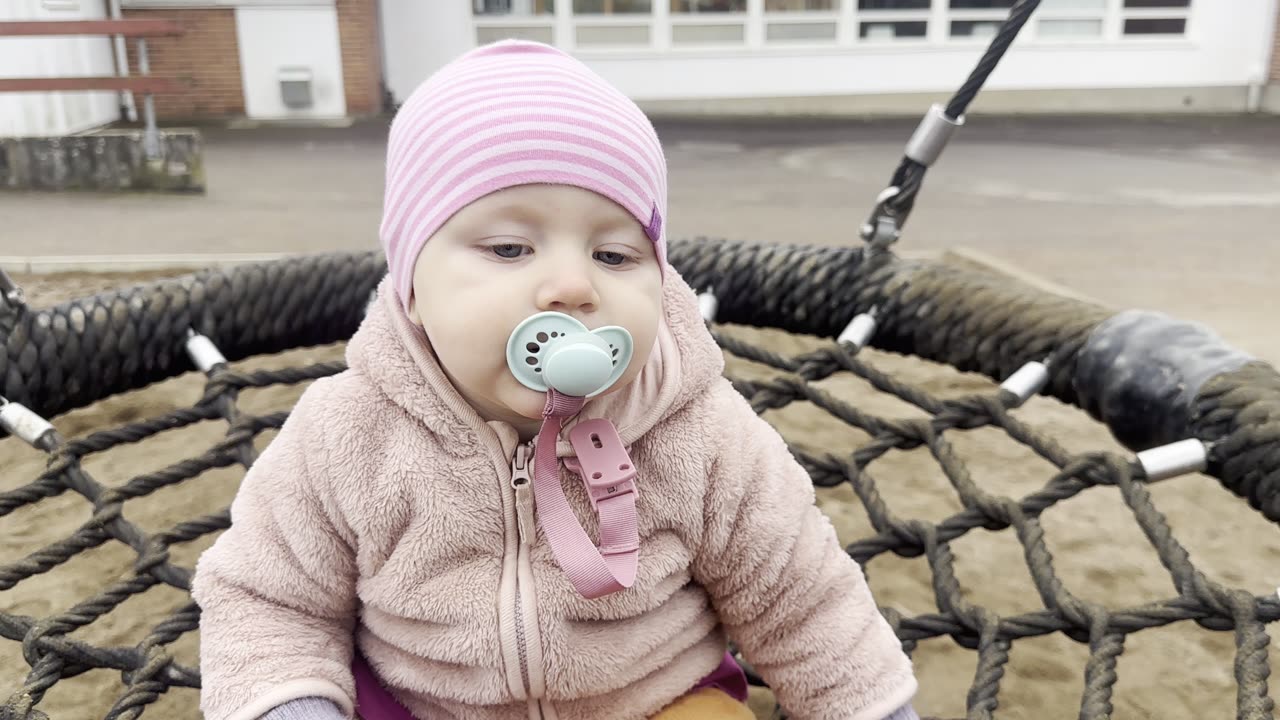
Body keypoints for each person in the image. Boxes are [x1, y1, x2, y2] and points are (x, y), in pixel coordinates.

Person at [192, 39, 919, 720]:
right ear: (411, 283)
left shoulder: (700, 428)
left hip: (651, 699)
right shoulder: (346, 431)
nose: (571, 286)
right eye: (509, 247)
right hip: (424, 705)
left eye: (614, 255)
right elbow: (266, 598)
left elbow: (802, 597)